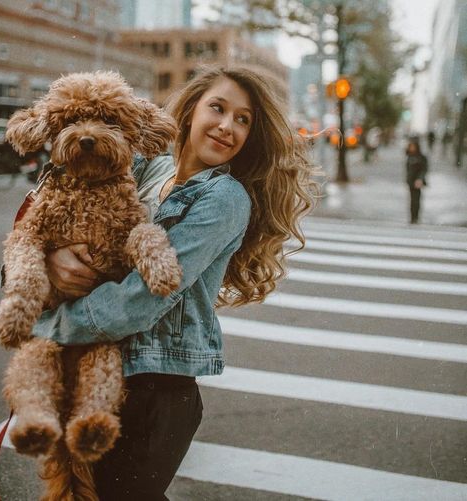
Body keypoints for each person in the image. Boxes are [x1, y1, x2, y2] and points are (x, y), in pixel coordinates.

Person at [30, 66, 318, 500]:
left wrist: (49, 329)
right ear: (190, 111)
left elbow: (141, 301)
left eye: (243, 120)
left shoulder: (224, 198)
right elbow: (53, 214)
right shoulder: (148, 168)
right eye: (217, 108)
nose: (227, 126)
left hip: (153, 391)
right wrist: (48, 261)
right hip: (94, 370)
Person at [405, 139, 428, 224]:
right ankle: (412, 217)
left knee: (416, 200)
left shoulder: (421, 157)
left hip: (417, 181)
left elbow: (424, 169)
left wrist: (420, 179)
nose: (411, 148)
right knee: (412, 200)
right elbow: (408, 170)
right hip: (411, 181)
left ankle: (416, 217)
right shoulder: (409, 156)